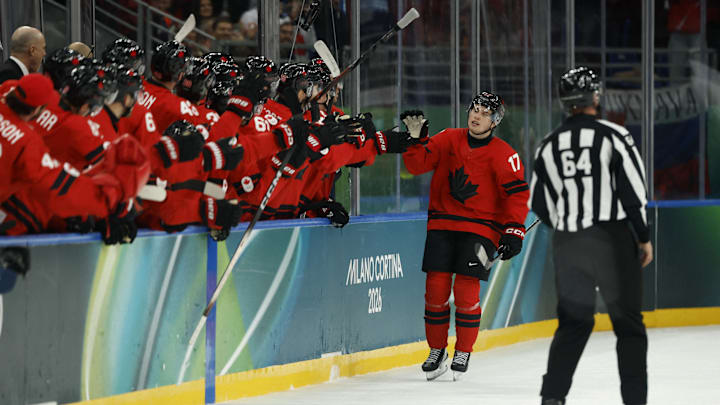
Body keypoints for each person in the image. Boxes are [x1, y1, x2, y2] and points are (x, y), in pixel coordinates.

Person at [529, 67, 652, 405]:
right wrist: (643, 237)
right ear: (595, 97)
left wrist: (568, 227)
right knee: (628, 325)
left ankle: (552, 398)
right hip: (612, 240)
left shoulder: (547, 146)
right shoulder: (615, 136)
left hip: (569, 242)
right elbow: (634, 194)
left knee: (573, 323)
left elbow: (538, 202)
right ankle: (635, 401)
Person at [402, 92, 530, 381]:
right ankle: (437, 350)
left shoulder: (504, 154)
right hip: (442, 224)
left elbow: (517, 195)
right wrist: (415, 141)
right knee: (435, 290)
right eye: (475, 109)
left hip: (481, 228)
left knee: (465, 291)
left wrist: (513, 229)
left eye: (485, 113)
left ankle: (464, 349)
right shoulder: (448, 138)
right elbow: (416, 165)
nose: (477, 115)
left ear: (495, 121)